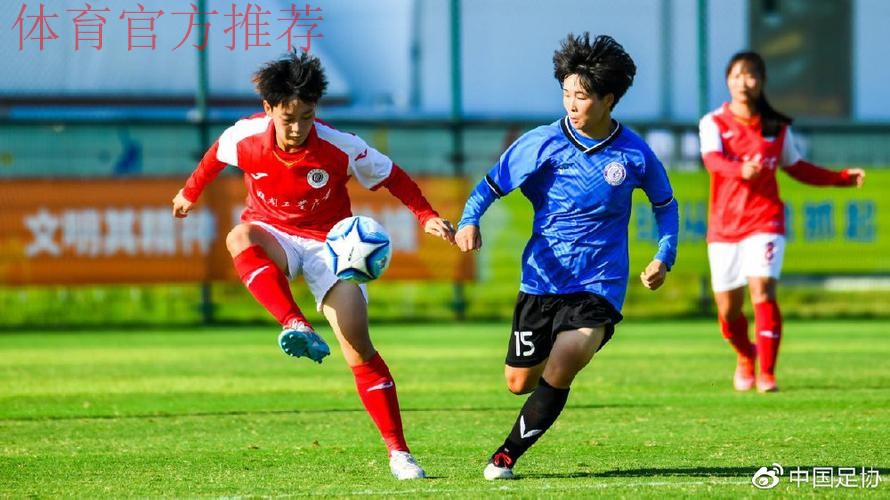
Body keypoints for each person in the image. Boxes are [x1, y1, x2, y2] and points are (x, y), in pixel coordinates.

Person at [171, 50, 455, 480]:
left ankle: (399, 452)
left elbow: (392, 175)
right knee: (239, 237)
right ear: (268, 108)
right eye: (288, 118)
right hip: (273, 232)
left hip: (331, 246)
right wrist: (189, 193)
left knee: (358, 346)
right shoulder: (244, 136)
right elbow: (214, 156)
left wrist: (426, 215)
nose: (297, 127)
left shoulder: (340, 146)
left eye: (306, 117)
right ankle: (295, 323)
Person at [455, 33, 679, 480]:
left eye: (582, 96)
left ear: (608, 99)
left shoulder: (634, 152)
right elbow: (489, 186)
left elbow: (665, 206)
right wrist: (468, 220)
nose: (571, 104)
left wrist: (664, 254)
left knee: (564, 362)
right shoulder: (540, 143)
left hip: (599, 284)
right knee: (518, 382)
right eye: (566, 93)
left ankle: (505, 456)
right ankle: (540, 392)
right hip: (542, 279)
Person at [699, 51, 865, 393]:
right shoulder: (713, 122)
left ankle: (768, 373)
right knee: (728, 313)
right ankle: (746, 355)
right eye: (736, 76)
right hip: (724, 227)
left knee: (763, 290)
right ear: (727, 81)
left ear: (762, 81)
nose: (743, 82)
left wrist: (839, 179)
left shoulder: (776, 126)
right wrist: (740, 169)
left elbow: (797, 166)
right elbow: (712, 160)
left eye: (750, 75)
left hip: (765, 221)